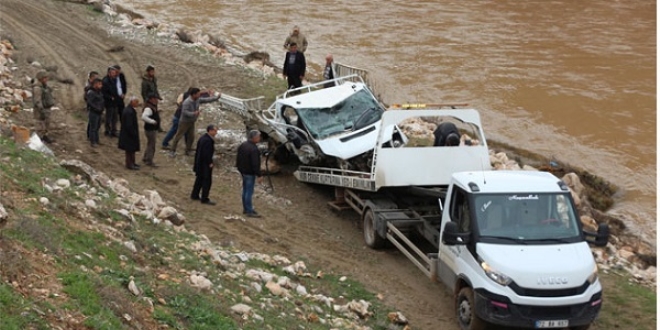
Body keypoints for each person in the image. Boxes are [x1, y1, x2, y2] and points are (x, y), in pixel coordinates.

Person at [169, 87, 220, 157]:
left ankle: (188, 150)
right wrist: (193, 113)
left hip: (191, 122)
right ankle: (172, 151)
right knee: (178, 136)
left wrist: (216, 98)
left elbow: (206, 100)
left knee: (191, 137)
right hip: (184, 122)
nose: (199, 95)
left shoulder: (197, 99)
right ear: (193, 95)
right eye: (198, 94)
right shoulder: (187, 102)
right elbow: (184, 112)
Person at [236, 130, 263, 217]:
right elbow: (255, 164)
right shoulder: (254, 149)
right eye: (258, 137)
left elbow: (238, 158)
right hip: (250, 173)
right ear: (254, 138)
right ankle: (249, 211)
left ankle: (246, 208)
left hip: (243, 171)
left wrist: (240, 169)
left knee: (245, 190)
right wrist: (259, 174)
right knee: (249, 191)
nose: (259, 138)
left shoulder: (243, 145)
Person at [191, 124, 218, 205]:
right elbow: (206, 154)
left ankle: (195, 195)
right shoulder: (208, 141)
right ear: (210, 131)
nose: (216, 133)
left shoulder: (203, 138)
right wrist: (210, 162)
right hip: (205, 165)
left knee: (199, 180)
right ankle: (204, 198)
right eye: (215, 131)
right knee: (207, 181)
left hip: (199, 163)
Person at [32, 71, 56, 144]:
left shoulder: (44, 86)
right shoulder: (37, 88)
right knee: (40, 125)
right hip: (41, 109)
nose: (46, 79)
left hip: (46, 108)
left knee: (47, 123)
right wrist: (41, 110)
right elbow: (37, 100)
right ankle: (39, 138)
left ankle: (45, 136)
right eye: (45, 78)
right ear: (41, 78)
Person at [118, 96, 141, 170]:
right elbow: (129, 125)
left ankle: (132, 163)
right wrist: (133, 133)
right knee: (129, 150)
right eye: (136, 102)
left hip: (129, 134)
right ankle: (129, 164)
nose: (137, 104)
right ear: (132, 102)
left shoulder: (129, 110)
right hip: (128, 135)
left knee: (131, 150)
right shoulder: (129, 112)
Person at [141, 94, 161, 167]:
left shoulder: (151, 106)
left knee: (150, 144)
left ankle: (146, 157)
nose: (157, 100)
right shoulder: (149, 108)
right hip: (150, 130)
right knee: (152, 145)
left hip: (151, 129)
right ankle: (149, 161)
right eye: (155, 99)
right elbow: (143, 117)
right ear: (151, 99)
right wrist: (153, 121)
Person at [101, 66, 121, 137]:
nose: (114, 74)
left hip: (115, 102)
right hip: (109, 102)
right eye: (112, 73)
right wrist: (110, 97)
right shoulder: (105, 81)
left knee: (115, 117)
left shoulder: (115, 80)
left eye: (114, 73)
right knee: (108, 117)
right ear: (109, 73)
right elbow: (103, 92)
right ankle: (107, 130)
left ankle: (114, 130)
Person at [86, 78, 104, 147]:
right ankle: (93, 142)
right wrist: (97, 108)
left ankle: (97, 140)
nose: (101, 85)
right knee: (93, 128)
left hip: (99, 112)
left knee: (97, 127)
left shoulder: (99, 92)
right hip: (94, 112)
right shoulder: (91, 92)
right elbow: (90, 102)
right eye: (99, 84)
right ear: (95, 84)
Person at [84, 71, 99, 140]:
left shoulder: (94, 85)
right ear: (92, 78)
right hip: (92, 107)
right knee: (92, 123)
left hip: (97, 106)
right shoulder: (89, 87)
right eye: (96, 77)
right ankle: (90, 137)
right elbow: (87, 98)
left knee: (95, 123)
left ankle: (92, 137)